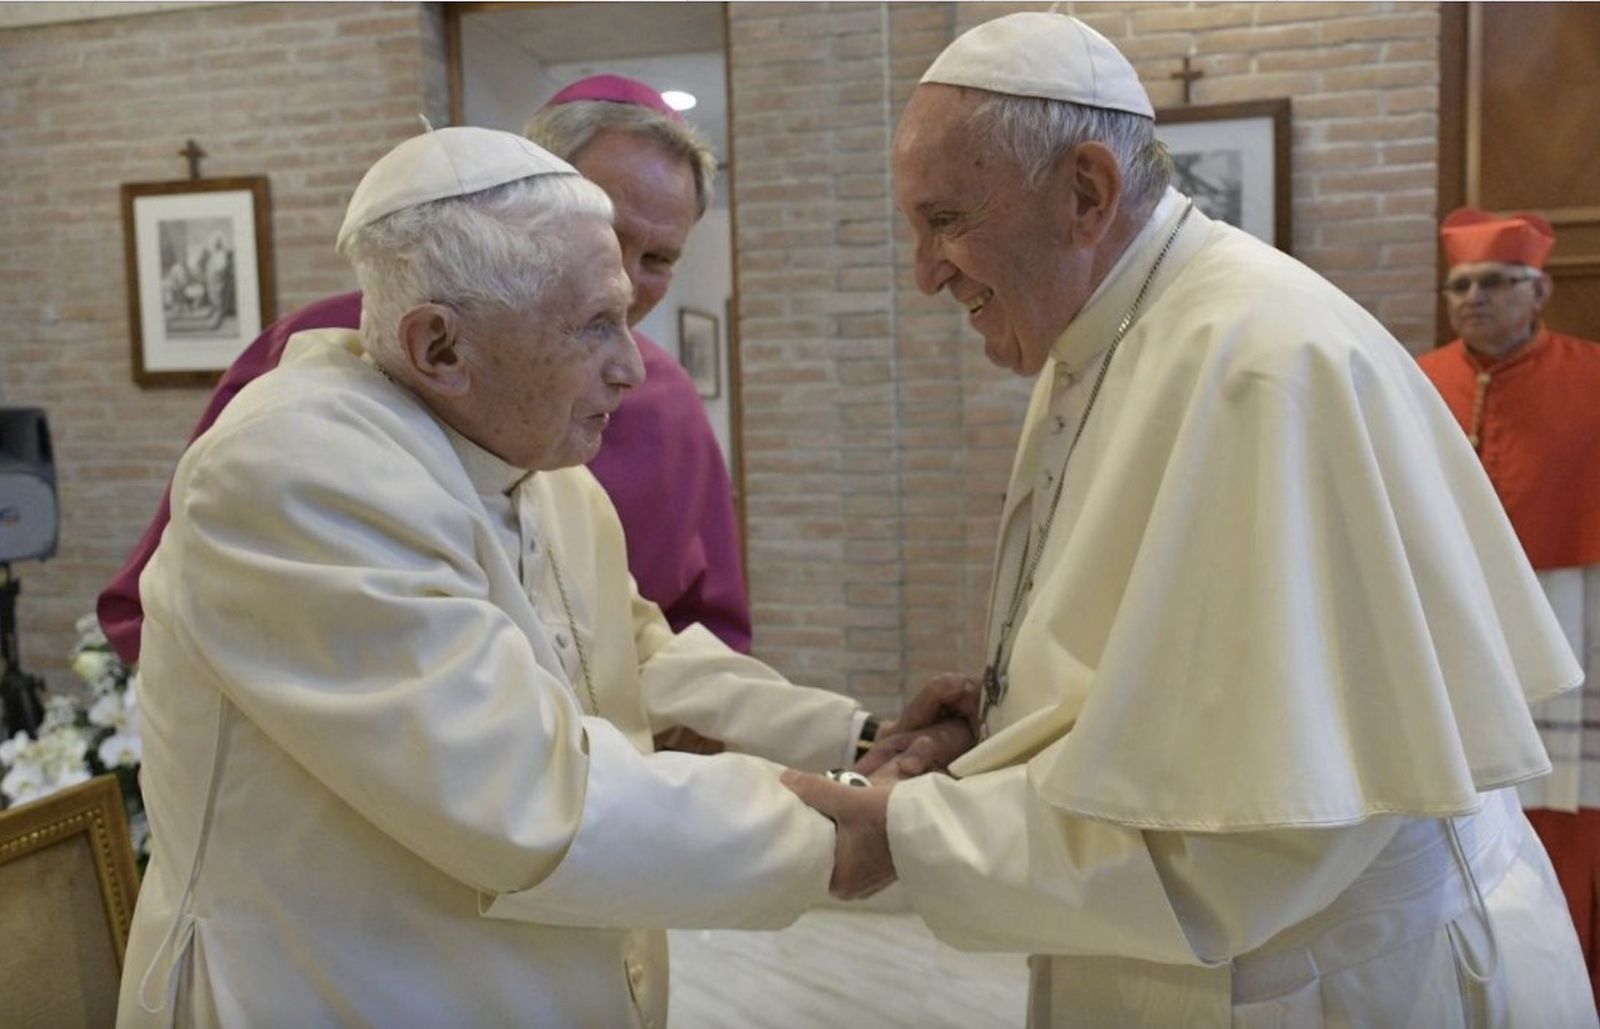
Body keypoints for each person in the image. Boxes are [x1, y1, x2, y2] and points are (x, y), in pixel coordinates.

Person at [785, 13, 1597, 1026]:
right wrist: (999, 733)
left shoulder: (1262, 367)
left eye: (944, 220)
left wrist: (898, 836)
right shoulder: (1106, 330)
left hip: (1332, 983)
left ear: (1085, 192)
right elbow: (1170, 689)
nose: (924, 270)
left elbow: (1257, 833)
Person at [116, 126, 964, 1027]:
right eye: (596, 325)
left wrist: (853, 732)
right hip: (338, 987)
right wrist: (836, 836)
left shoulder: (530, 459)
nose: (633, 366)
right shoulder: (295, 470)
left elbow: (633, 651)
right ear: (440, 347)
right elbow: (522, 791)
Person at [97, 74, 752, 675]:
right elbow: (181, 606)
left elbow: (686, 632)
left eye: (659, 258)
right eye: (606, 230)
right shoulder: (314, 361)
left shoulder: (664, 401)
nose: (629, 282)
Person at [1418, 207, 1600, 1007]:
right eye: (1461, 285)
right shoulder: (1417, 380)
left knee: (1568, 803)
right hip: (1454, 618)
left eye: (1496, 283)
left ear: (1540, 291)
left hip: (1575, 611)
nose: (1475, 299)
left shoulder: (1592, 372)